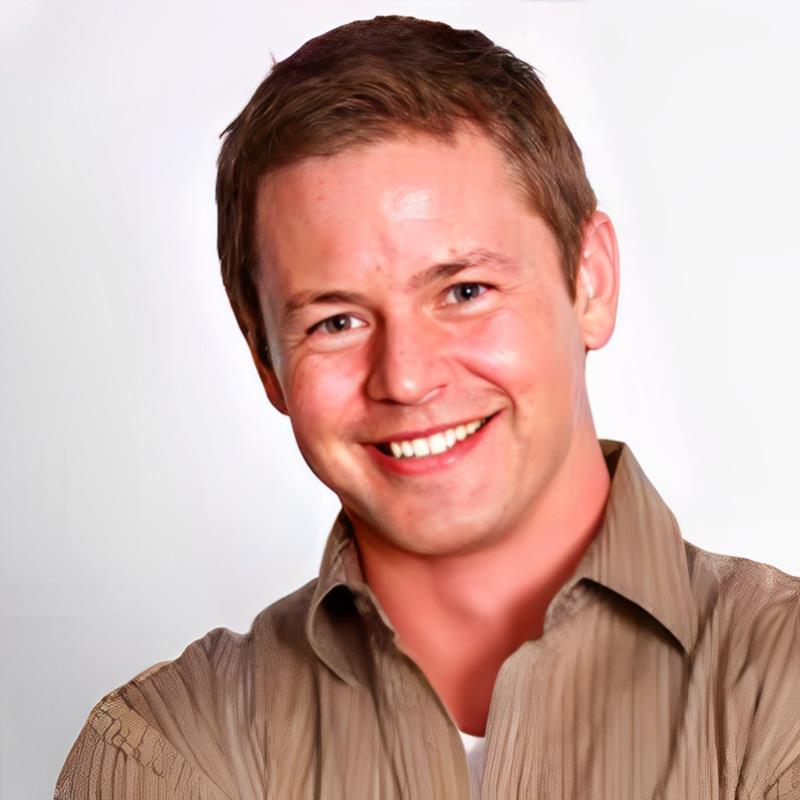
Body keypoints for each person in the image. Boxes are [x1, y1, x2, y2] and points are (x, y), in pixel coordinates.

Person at [54, 15, 800, 800]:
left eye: (465, 291)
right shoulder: (170, 749)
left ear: (591, 283)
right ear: (267, 363)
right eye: (335, 322)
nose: (406, 378)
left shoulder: (781, 686)